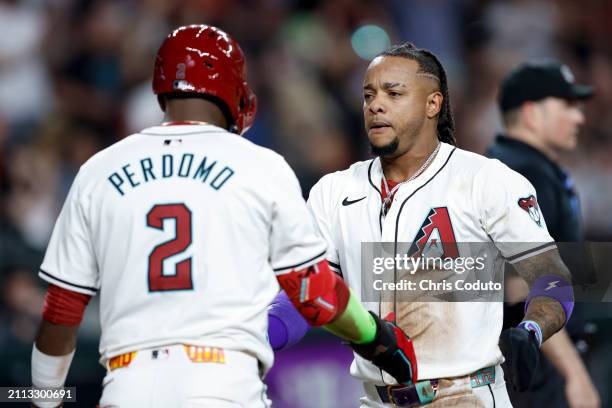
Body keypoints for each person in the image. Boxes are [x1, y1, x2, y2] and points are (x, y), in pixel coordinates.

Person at [30, 25, 417, 408]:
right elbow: (313, 292)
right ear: (235, 92)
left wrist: (44, 400)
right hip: (223, 383)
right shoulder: (260, 165)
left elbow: (62, 308)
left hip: (128, 384)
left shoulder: (99, 169)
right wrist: (374, 337)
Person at [268, 42, 575, 407]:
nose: (375, 105)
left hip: (466, 395)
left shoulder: (485, 180)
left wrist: (532, 330)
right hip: (375, 400)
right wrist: (259, 334)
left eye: (393, 93)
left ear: (433, 104)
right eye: (368, 95)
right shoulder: (332, 191)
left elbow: (553, 277)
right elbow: (305, 294)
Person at [487, 60, 600, 408]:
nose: (579, 117)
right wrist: (574, 373)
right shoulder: (520, 174)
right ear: (532, 113)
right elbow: (523, 285)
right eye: (567, 105)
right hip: (533, 369)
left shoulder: (525, 166)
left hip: (535, 362)